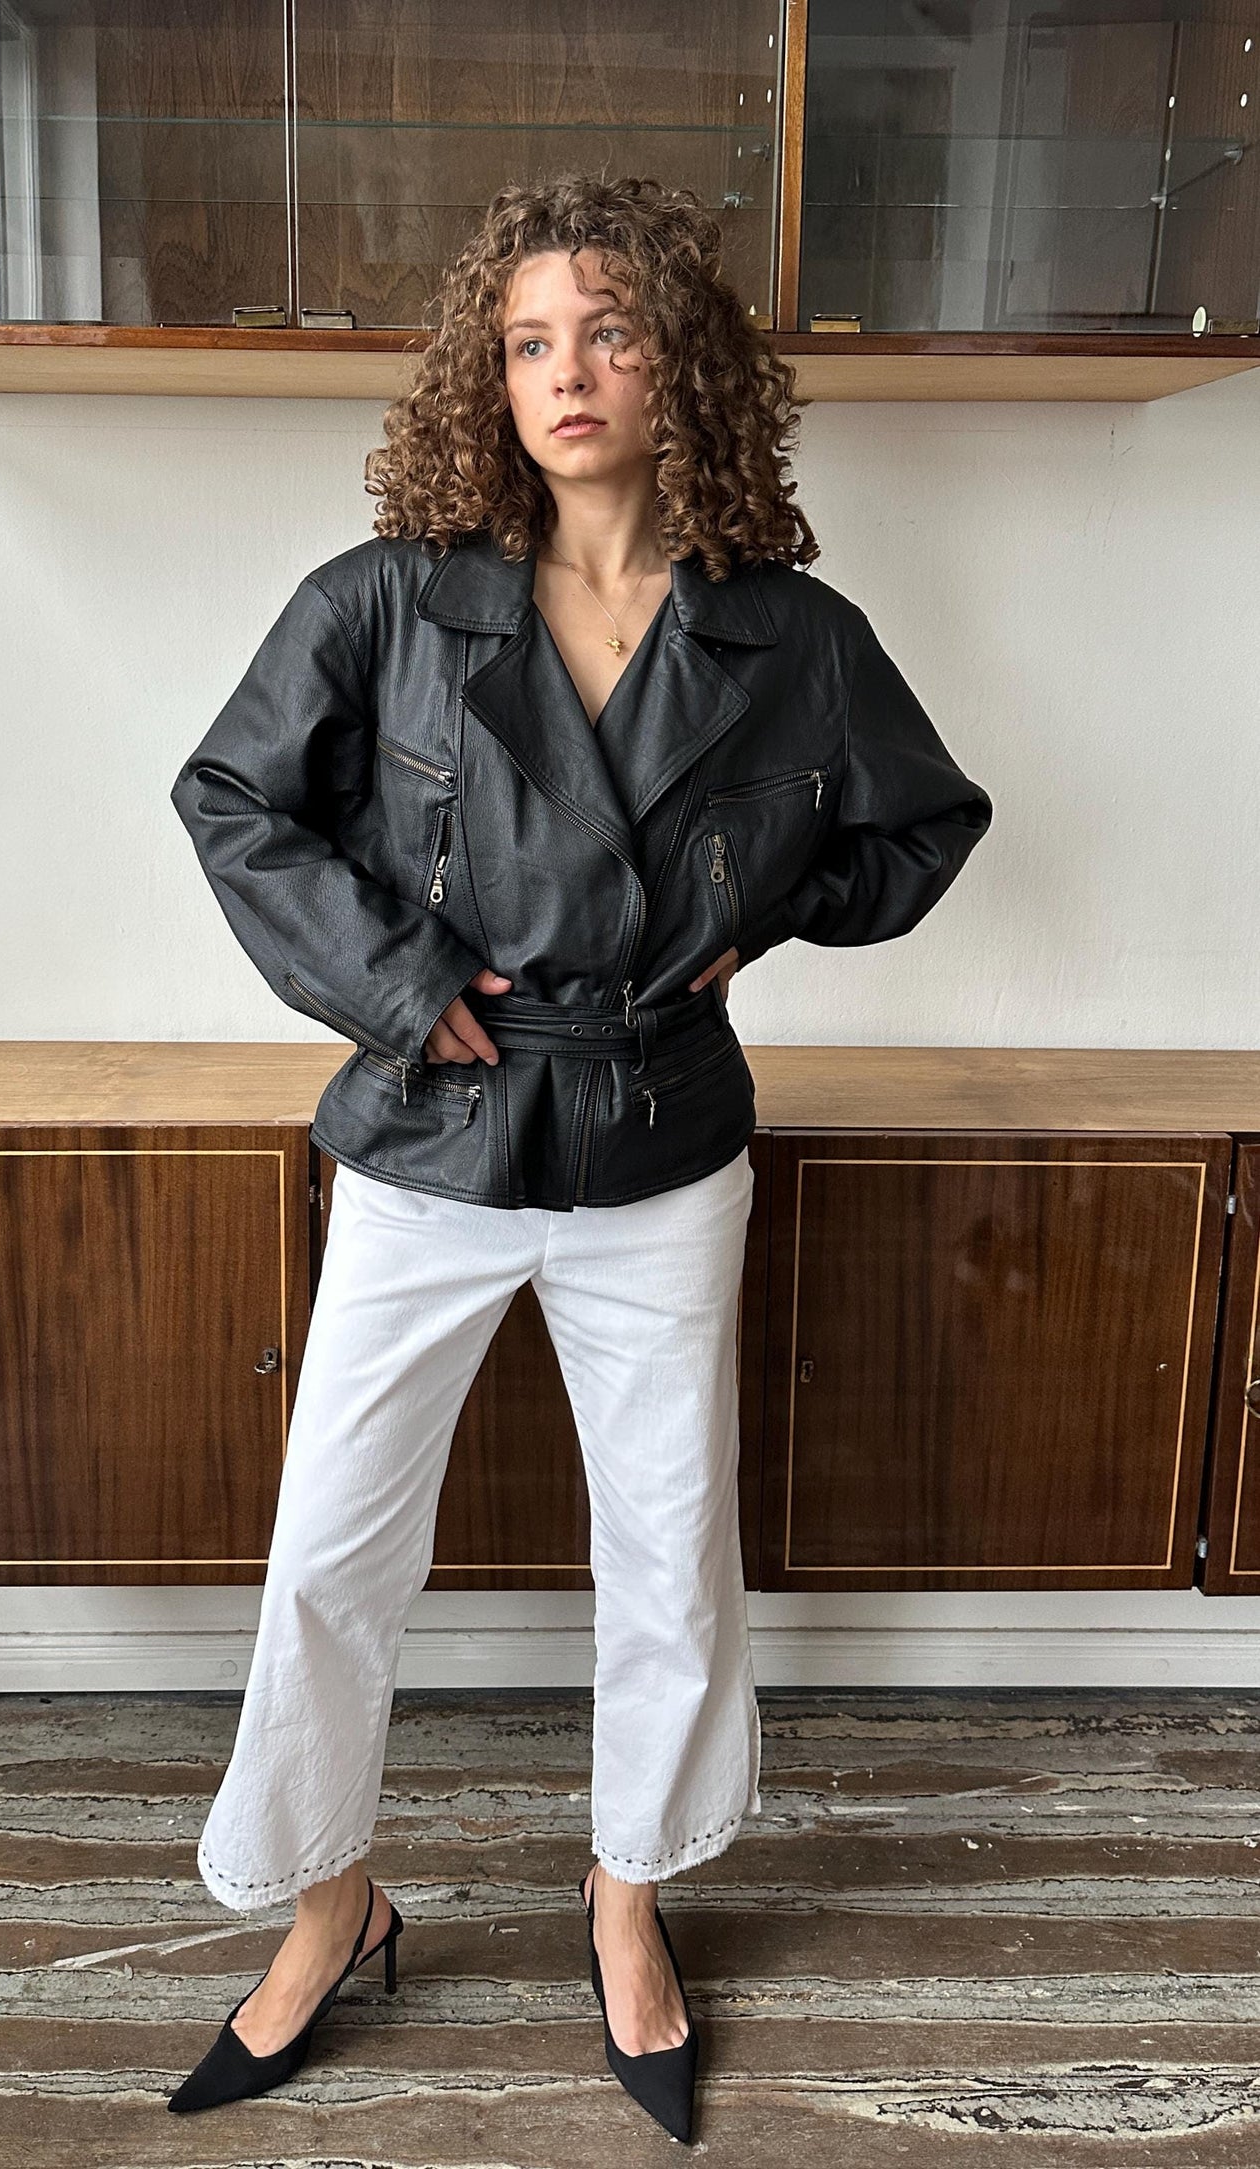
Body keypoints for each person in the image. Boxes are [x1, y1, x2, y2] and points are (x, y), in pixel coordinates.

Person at [165, 172, 992, 2143]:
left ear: (680, 359)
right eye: (528, 339)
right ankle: (327, 1906)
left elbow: (919, 826)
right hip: (429, 1131)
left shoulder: (791, 632)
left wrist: (762, 914)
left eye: (606, 329)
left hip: (657, 1133)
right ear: (486, 371)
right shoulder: (387, 597)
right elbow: (232, 798)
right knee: (332, 1554)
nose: (565, 372)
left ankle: (630, 1896)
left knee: (668, 1552)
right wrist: (391, 979)